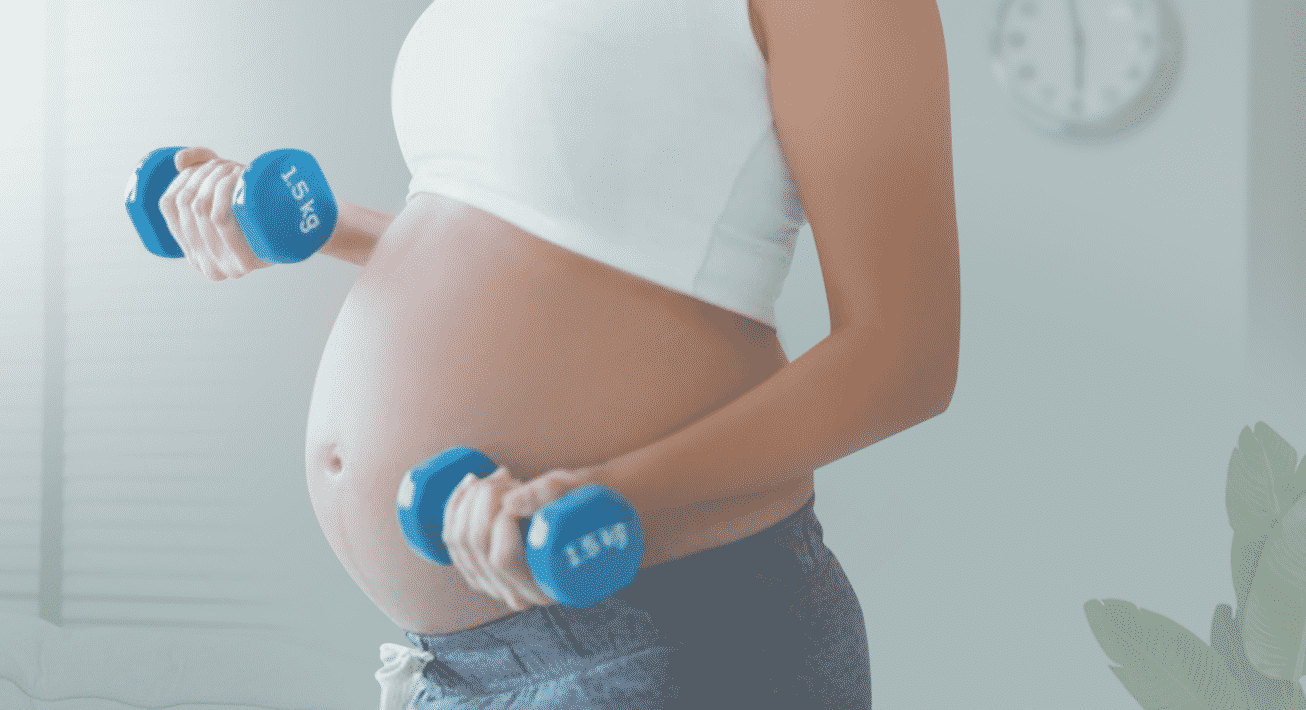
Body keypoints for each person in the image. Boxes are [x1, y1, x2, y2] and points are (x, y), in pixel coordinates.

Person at [156, 1, 958, 707]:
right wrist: (305, 224)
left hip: (674, 639)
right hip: (463, 666)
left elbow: (905, 356)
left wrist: (613, 490)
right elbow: (519, 234)